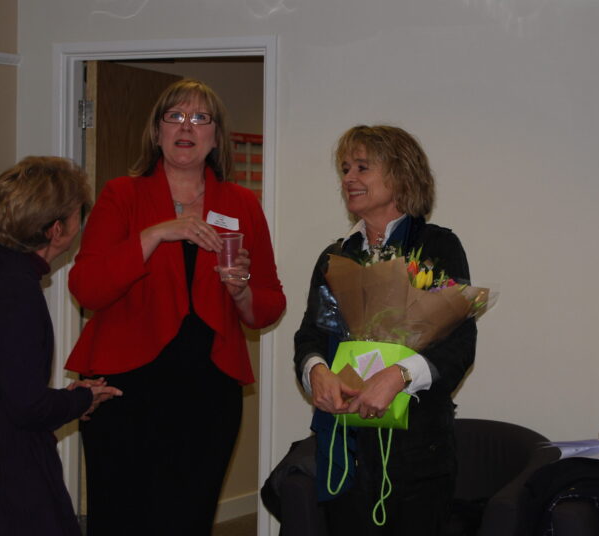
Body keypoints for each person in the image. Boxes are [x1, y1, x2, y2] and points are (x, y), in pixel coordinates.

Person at [65, 78, 286, 535]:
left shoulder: (240, 203)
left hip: (207, 392)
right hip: (125, 388)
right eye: (175, 116)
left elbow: (268, 304)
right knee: (120, 519)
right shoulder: (122, 195)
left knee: (187, 518)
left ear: (215, 135)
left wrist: (240, 289)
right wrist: (156, 234)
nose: (187, 126)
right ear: (157, 131)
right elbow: (86, 287)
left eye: (200, 118)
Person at [293, 125, 478, 535]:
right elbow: (310, 335)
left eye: (362, 167)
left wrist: (399, 376)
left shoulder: (437, 247)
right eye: (345, 169)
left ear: (401, 174)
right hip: (346, 449)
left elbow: (459, 346)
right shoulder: (335, 256)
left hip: (418, 455)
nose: (348, 179)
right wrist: (316, 371)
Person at [0, 156, 123, 535]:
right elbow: (27, 407)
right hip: (11, 492)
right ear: (56, 230)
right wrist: (82, 400)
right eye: (77, 215)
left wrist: (68, 397)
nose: (80, 225)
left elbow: (6, 388)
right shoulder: (15, 294)